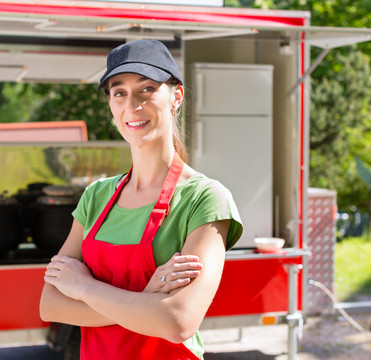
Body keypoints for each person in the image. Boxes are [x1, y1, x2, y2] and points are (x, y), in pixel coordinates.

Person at [40, 39, 243, 360]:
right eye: (119, 92)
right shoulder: (96, 196)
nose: (132, 104)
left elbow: (177, 321)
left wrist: (84, 289)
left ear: (176, 96)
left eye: (147, 89)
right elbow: (50, 304)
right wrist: (146, 297)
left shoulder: (204, 198)